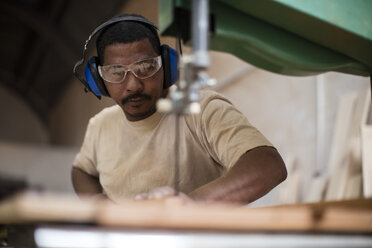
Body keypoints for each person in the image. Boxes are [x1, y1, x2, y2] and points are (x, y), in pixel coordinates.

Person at [71, 14, 287, 205]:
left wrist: (189, 206)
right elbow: (81, 171)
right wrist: (99, 204)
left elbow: (268, 164)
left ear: (167, 66)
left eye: (145, 67)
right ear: (98, 79)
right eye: (116, 72)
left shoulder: (202, 109)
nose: (133, 85)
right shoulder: (100, 125)